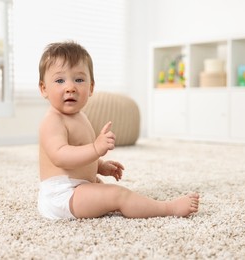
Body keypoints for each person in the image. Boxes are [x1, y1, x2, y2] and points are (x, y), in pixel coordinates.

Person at [37, 41, 200, 220]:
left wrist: (99, 166)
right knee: (118, 195)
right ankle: (169, 208)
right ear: (44, 88)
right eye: (60, 80)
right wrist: (95, 149)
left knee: (109, 192)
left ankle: (139, 203)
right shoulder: (53, 121)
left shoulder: (81, 116)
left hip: (78, 187)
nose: (70, 87)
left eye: (79, 79)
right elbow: (60, 156)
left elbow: (79, 152)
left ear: (91, 87)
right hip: (61, 197)